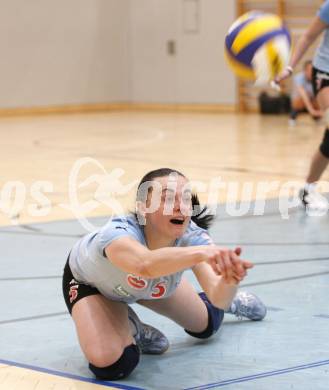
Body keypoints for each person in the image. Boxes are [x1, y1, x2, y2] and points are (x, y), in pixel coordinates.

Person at [62, 168, 266, 381]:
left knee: (206, 326)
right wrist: (202, 253)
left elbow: (218, 297)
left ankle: (236, 303)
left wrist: (228, 282)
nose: (180, 206)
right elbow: (144, 265)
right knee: (112, 364)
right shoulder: (117, 234)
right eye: (168, 198)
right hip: (93, 285)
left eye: (186, 198)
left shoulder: (193, 238)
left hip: (147, 282)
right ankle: (133, 328)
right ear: (143, 209)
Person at [275, 0, 329, 211]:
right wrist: (289, 68)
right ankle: (309, 188)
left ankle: (308, 188)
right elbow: (307, 36)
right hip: (325, 72)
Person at [289, 60, 323, 125]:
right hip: (300, 100)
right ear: (304, 71)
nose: (311, 72)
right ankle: (292, 117)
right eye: (309, 70)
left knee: (319, 100)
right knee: (300, 100)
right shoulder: (298, 78)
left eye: (313, 70)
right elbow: (303, 95)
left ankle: (317, 118)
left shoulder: (318, 79)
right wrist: (311, 111)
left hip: (312, 99)